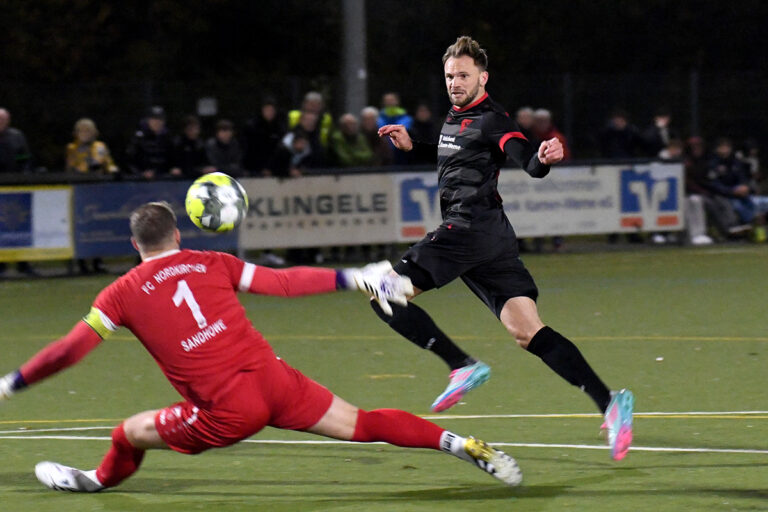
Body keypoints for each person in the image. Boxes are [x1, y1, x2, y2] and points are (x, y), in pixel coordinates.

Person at [0, 202, 523, 492]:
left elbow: (70, 350)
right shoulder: (212, 261)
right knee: (361, 424)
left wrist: (12, 382)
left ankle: (93, 481)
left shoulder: (119, 293)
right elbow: (285, 283)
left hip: (226, 410)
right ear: (178, 234)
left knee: (126, 433)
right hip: (276, 381)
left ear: (134, 245)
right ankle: (458, 444)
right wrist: (353, 276)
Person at [376, 36, 634, 461]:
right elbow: (456, 157)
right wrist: (414, 148)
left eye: (463, 75)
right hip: (492, 235)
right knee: (528, 332)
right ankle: (611, 403)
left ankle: (461, 365)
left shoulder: (493, 119)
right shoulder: (456, 116)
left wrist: (544, 159)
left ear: (483, 77)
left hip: (467, 229)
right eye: (449, 76)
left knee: (383, 293)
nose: (455, 82)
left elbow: (526, 161)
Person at [126, 106, 174, 179]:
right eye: (154, 119)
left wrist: (173, 169)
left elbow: (171, 158)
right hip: (141, 181)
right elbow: (129, 161)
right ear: (148, 120)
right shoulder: (139, 138)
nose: (157, 122)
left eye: (160, 119)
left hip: (163, 180)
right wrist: (141, 174)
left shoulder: (167, 138)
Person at [242, 98, 286, 174]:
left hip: (272, 168)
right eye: (267, 110)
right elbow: (250, 149)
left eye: (271, 110)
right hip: (254, 167)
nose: (269, 113)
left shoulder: (279, 127)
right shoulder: (252, 127)